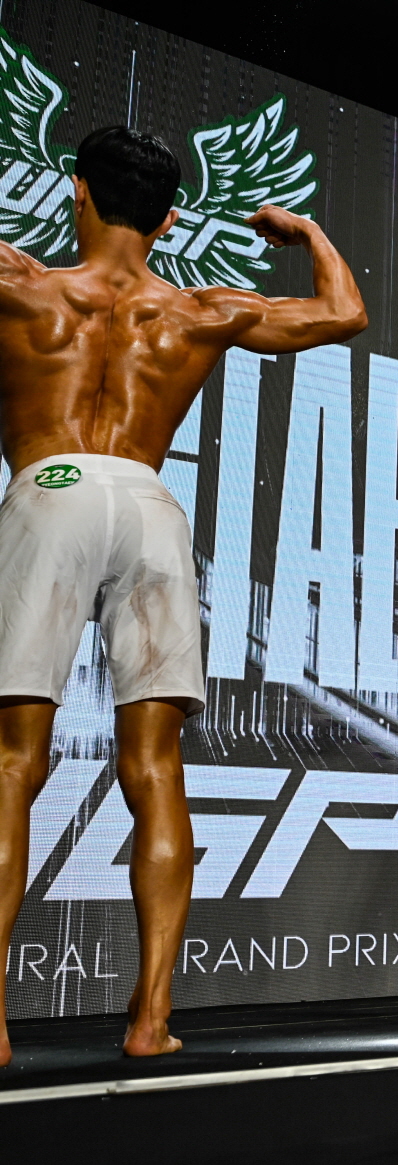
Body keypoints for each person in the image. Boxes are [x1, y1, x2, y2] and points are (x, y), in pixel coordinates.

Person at [0, 128, 367, 1064]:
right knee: (156, 766)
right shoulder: (200, 308)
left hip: (49, 489)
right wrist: (306, 231)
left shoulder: (23, 287)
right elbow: (344, 312)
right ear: (168, 221)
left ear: (76, 193)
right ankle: (152, 1017)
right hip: (150, 506)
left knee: (12, 763)